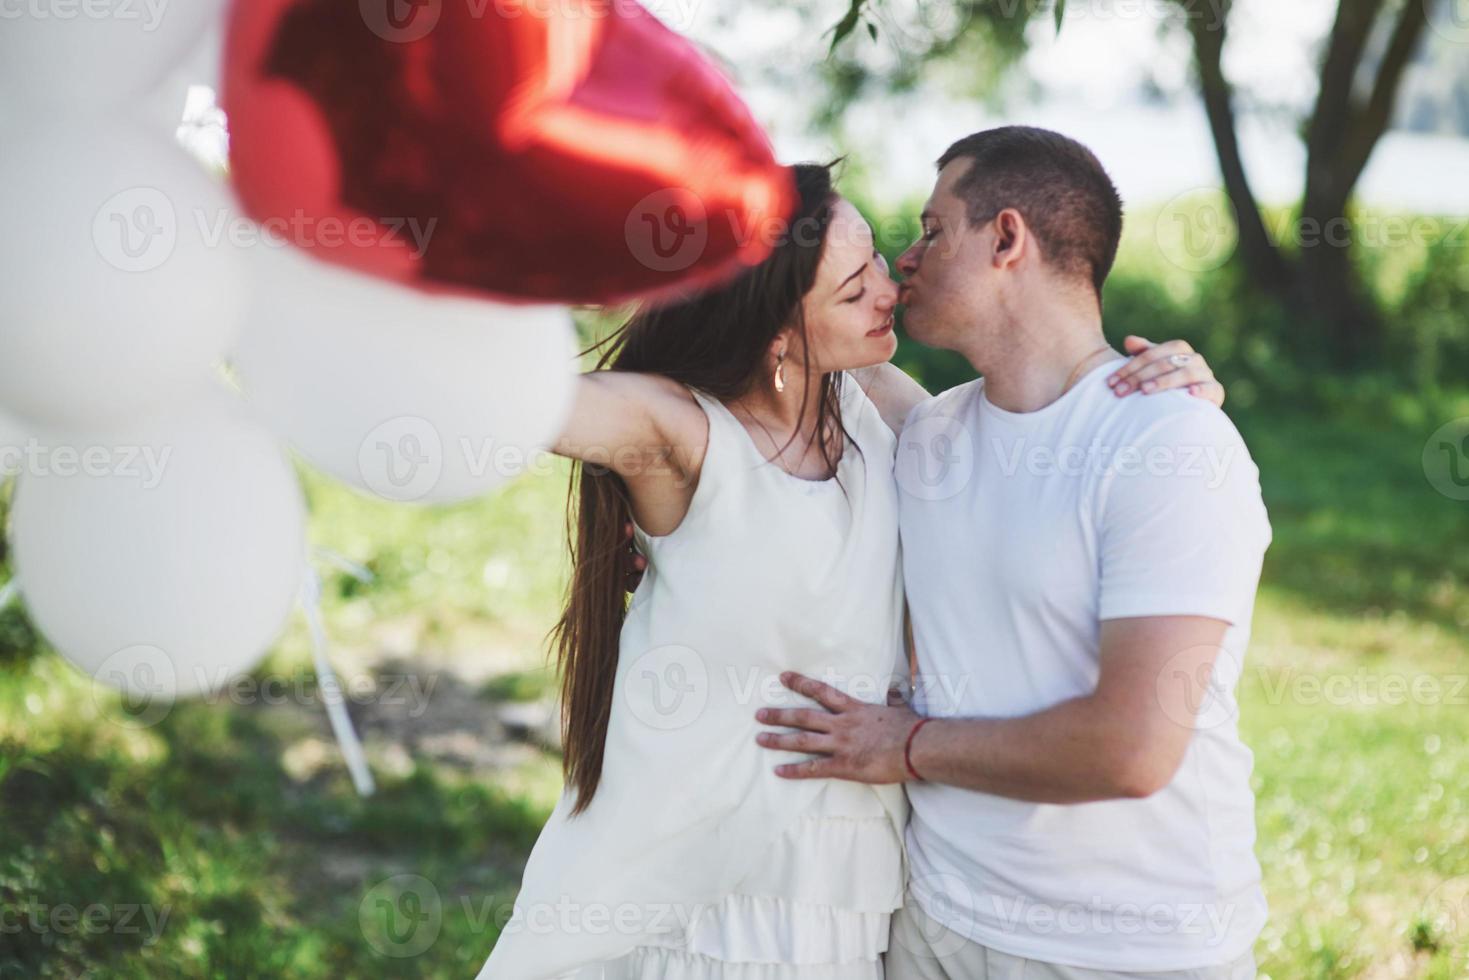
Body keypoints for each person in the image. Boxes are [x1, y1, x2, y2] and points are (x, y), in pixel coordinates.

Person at [478, 160, 1224, 980]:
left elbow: (1031, 441)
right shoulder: (679, 433)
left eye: (882, 252)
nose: (892, 279)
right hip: (699, 900)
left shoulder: (888, 428)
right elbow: (507, 395)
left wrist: (1167, 396)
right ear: (775, 332)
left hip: (849, 903)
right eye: (854, 282)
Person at [754, 128, 1269, 980]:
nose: (904, 259)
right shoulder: (929, 437)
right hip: (934, 924)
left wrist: (906, 745)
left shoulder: (1169, 444)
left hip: (1124, 948)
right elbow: (785, 333)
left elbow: (1129, 749)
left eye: (930, 229)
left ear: (1004, 238)